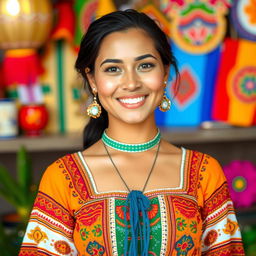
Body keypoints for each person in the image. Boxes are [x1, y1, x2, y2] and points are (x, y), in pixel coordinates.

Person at [19, 9, 244, 256]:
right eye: (113, 69)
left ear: (165, 72)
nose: (131, 83)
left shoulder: (203, 173)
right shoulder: (63, 178)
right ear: (92, 80)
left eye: (145, 65)